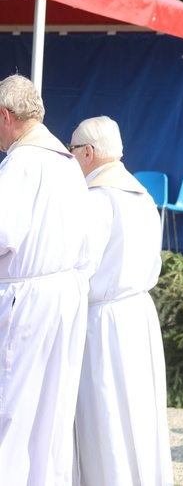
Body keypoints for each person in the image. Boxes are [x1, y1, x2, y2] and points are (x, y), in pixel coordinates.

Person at [69, 116, 173, 485]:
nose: (71, 160)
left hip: (102, 322)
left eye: (72, 151)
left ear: (89, 153)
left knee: (106, 414)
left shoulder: (97, 198)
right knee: (138, 415)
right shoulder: (142, 194)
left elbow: (80, 265)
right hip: (138, 314)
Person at [0, 74, 90, 484]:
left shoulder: (21, 162)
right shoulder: (67, 162)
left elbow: (3, 234)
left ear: (5, 116)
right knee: (50, 411)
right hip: (65, 295)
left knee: (13, 407)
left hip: (27, 298)